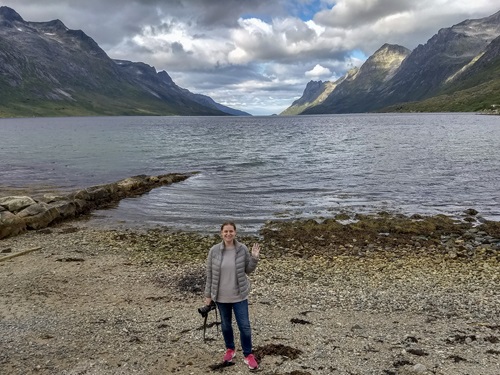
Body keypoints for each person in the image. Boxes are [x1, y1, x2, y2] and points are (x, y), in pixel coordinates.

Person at [204, 221, 261, 370]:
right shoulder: (214, 251)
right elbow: (210, 275)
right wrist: (208, 296)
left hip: (239, 295)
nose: (228, 234)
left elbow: (248, 270)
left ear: (235, 233)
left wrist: (254, 258)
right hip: (221, 297)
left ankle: (248, 354)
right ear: (221, 233)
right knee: (226, 325)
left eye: (231, 231)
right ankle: (230, 349)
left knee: (245, 327)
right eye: (225, 231)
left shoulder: (242, 249)